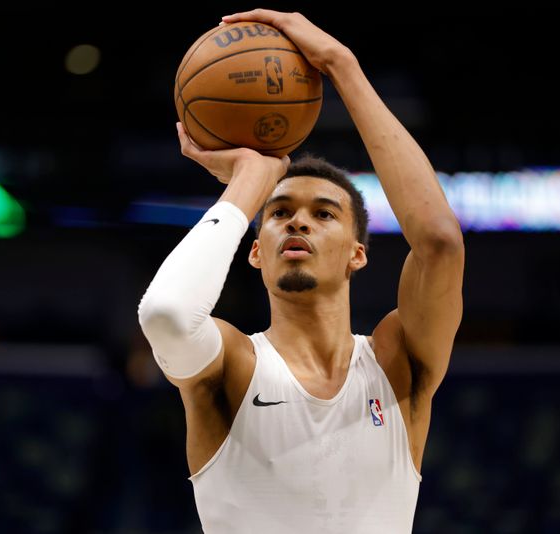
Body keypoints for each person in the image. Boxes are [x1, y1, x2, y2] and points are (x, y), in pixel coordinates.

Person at [138, 8, 464, 534]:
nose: (299, 223)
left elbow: (441, 242)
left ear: (358, 253)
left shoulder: (395, 360)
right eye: (280, 212)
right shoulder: (234, 365)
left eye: (324, 214)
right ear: (255, 252)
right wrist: (249, 182)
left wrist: (341, 65)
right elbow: (167, 314)